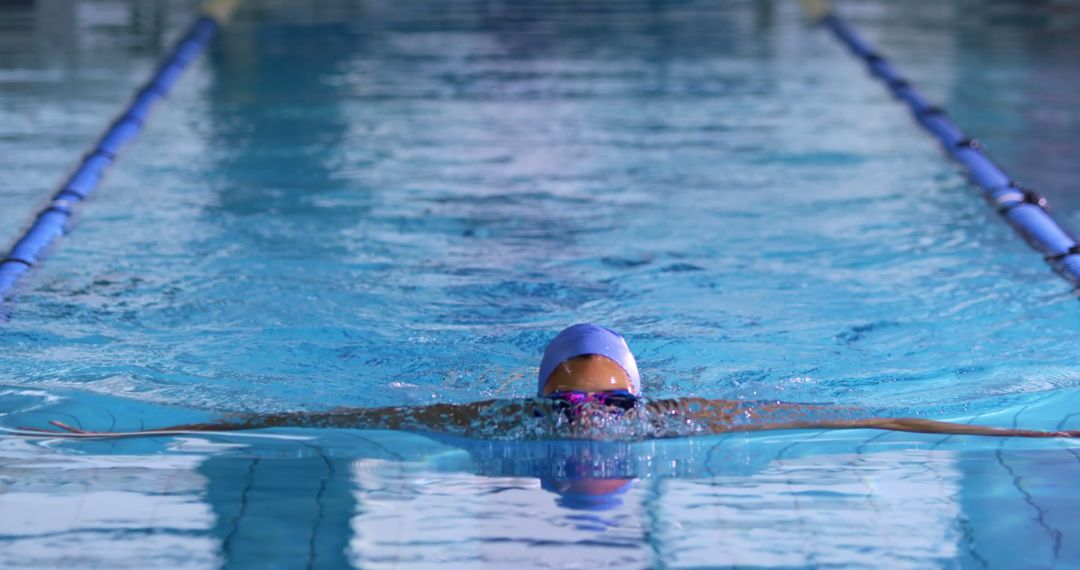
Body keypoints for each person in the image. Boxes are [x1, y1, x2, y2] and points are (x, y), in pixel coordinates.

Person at [22, 323, 1080, 440]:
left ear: (640, 404)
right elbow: (309, 413)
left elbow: (883, 415)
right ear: (539, 399)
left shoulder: (703, 420)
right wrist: (128, 434)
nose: (583, 422)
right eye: (565, 402)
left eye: (609, 403)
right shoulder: (479, 419)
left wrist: (1037, 438)